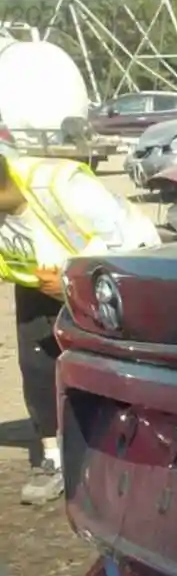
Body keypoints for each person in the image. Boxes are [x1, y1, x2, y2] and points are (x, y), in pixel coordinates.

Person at [3, 143, 161, 503]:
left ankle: (141, 454)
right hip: (40, 284)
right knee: (37, 367)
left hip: (113, 277)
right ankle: (55, 459)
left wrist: (74, 286)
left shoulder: (62, 185)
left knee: (118, 367)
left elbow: (130, 248)